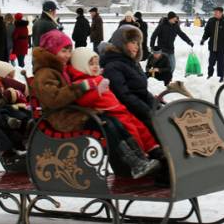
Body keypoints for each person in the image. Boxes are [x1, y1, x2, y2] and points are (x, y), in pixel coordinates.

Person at [33, 30, 159, 179]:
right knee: (107, 125)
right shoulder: (45, 73)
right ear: (52, 50)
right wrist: (83, 87)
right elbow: (53, 99)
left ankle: (139, 159)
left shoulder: (60, 69)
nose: (67, 55)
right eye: (63, 51)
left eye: (69, 51)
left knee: (115, 122)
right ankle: (132, 162)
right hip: (63, 118)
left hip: (74, 112)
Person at [102, 25, 156, 126]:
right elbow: (124, 96)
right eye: (133, 42)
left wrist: (155, 105)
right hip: (131, 113)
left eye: (138, 43)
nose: (137, 46)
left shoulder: (132, 62)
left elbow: (142, 91)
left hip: (141, 109)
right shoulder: (113, 66)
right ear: (121, 44)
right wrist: (148, 111)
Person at [150, 11, 193, 78]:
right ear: (170, 18)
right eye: (174, 18)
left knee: (172, 66)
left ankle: (167, 77)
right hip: (162, 49)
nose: (176, 19)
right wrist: (152, 46)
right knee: (163, 66)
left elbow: (181, 34)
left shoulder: (176, 26)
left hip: (171, 49)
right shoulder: (162, 25)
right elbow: (154, 35)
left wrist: (189, 41)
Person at [200, 7, 224, 83]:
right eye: (214, 12)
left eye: (216, 12)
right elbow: (207, 32)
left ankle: (221, 77)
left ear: (221, 13)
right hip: (212, 47)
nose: (215, 13)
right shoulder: (211, 21)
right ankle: (210, 76)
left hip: (222, 48)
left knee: (221, 64)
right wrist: (203, 39)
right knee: (211, 63)